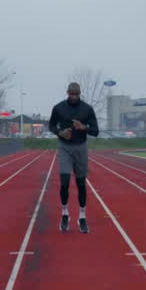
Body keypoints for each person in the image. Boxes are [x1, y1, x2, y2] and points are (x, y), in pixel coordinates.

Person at [49, 82, 99, 233]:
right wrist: (60, 132)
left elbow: (96, 131)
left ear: (80, 93)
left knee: (81, 183)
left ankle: (82, 216)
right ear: (67, 92)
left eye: (76, 94)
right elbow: (51, 125)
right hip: (64, 147)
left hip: (81, 148)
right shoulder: (58, 108)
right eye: (71, 93)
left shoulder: (87, 109)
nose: (74, 96)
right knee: (64, 182)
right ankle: (65, 213)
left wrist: (84, 127)